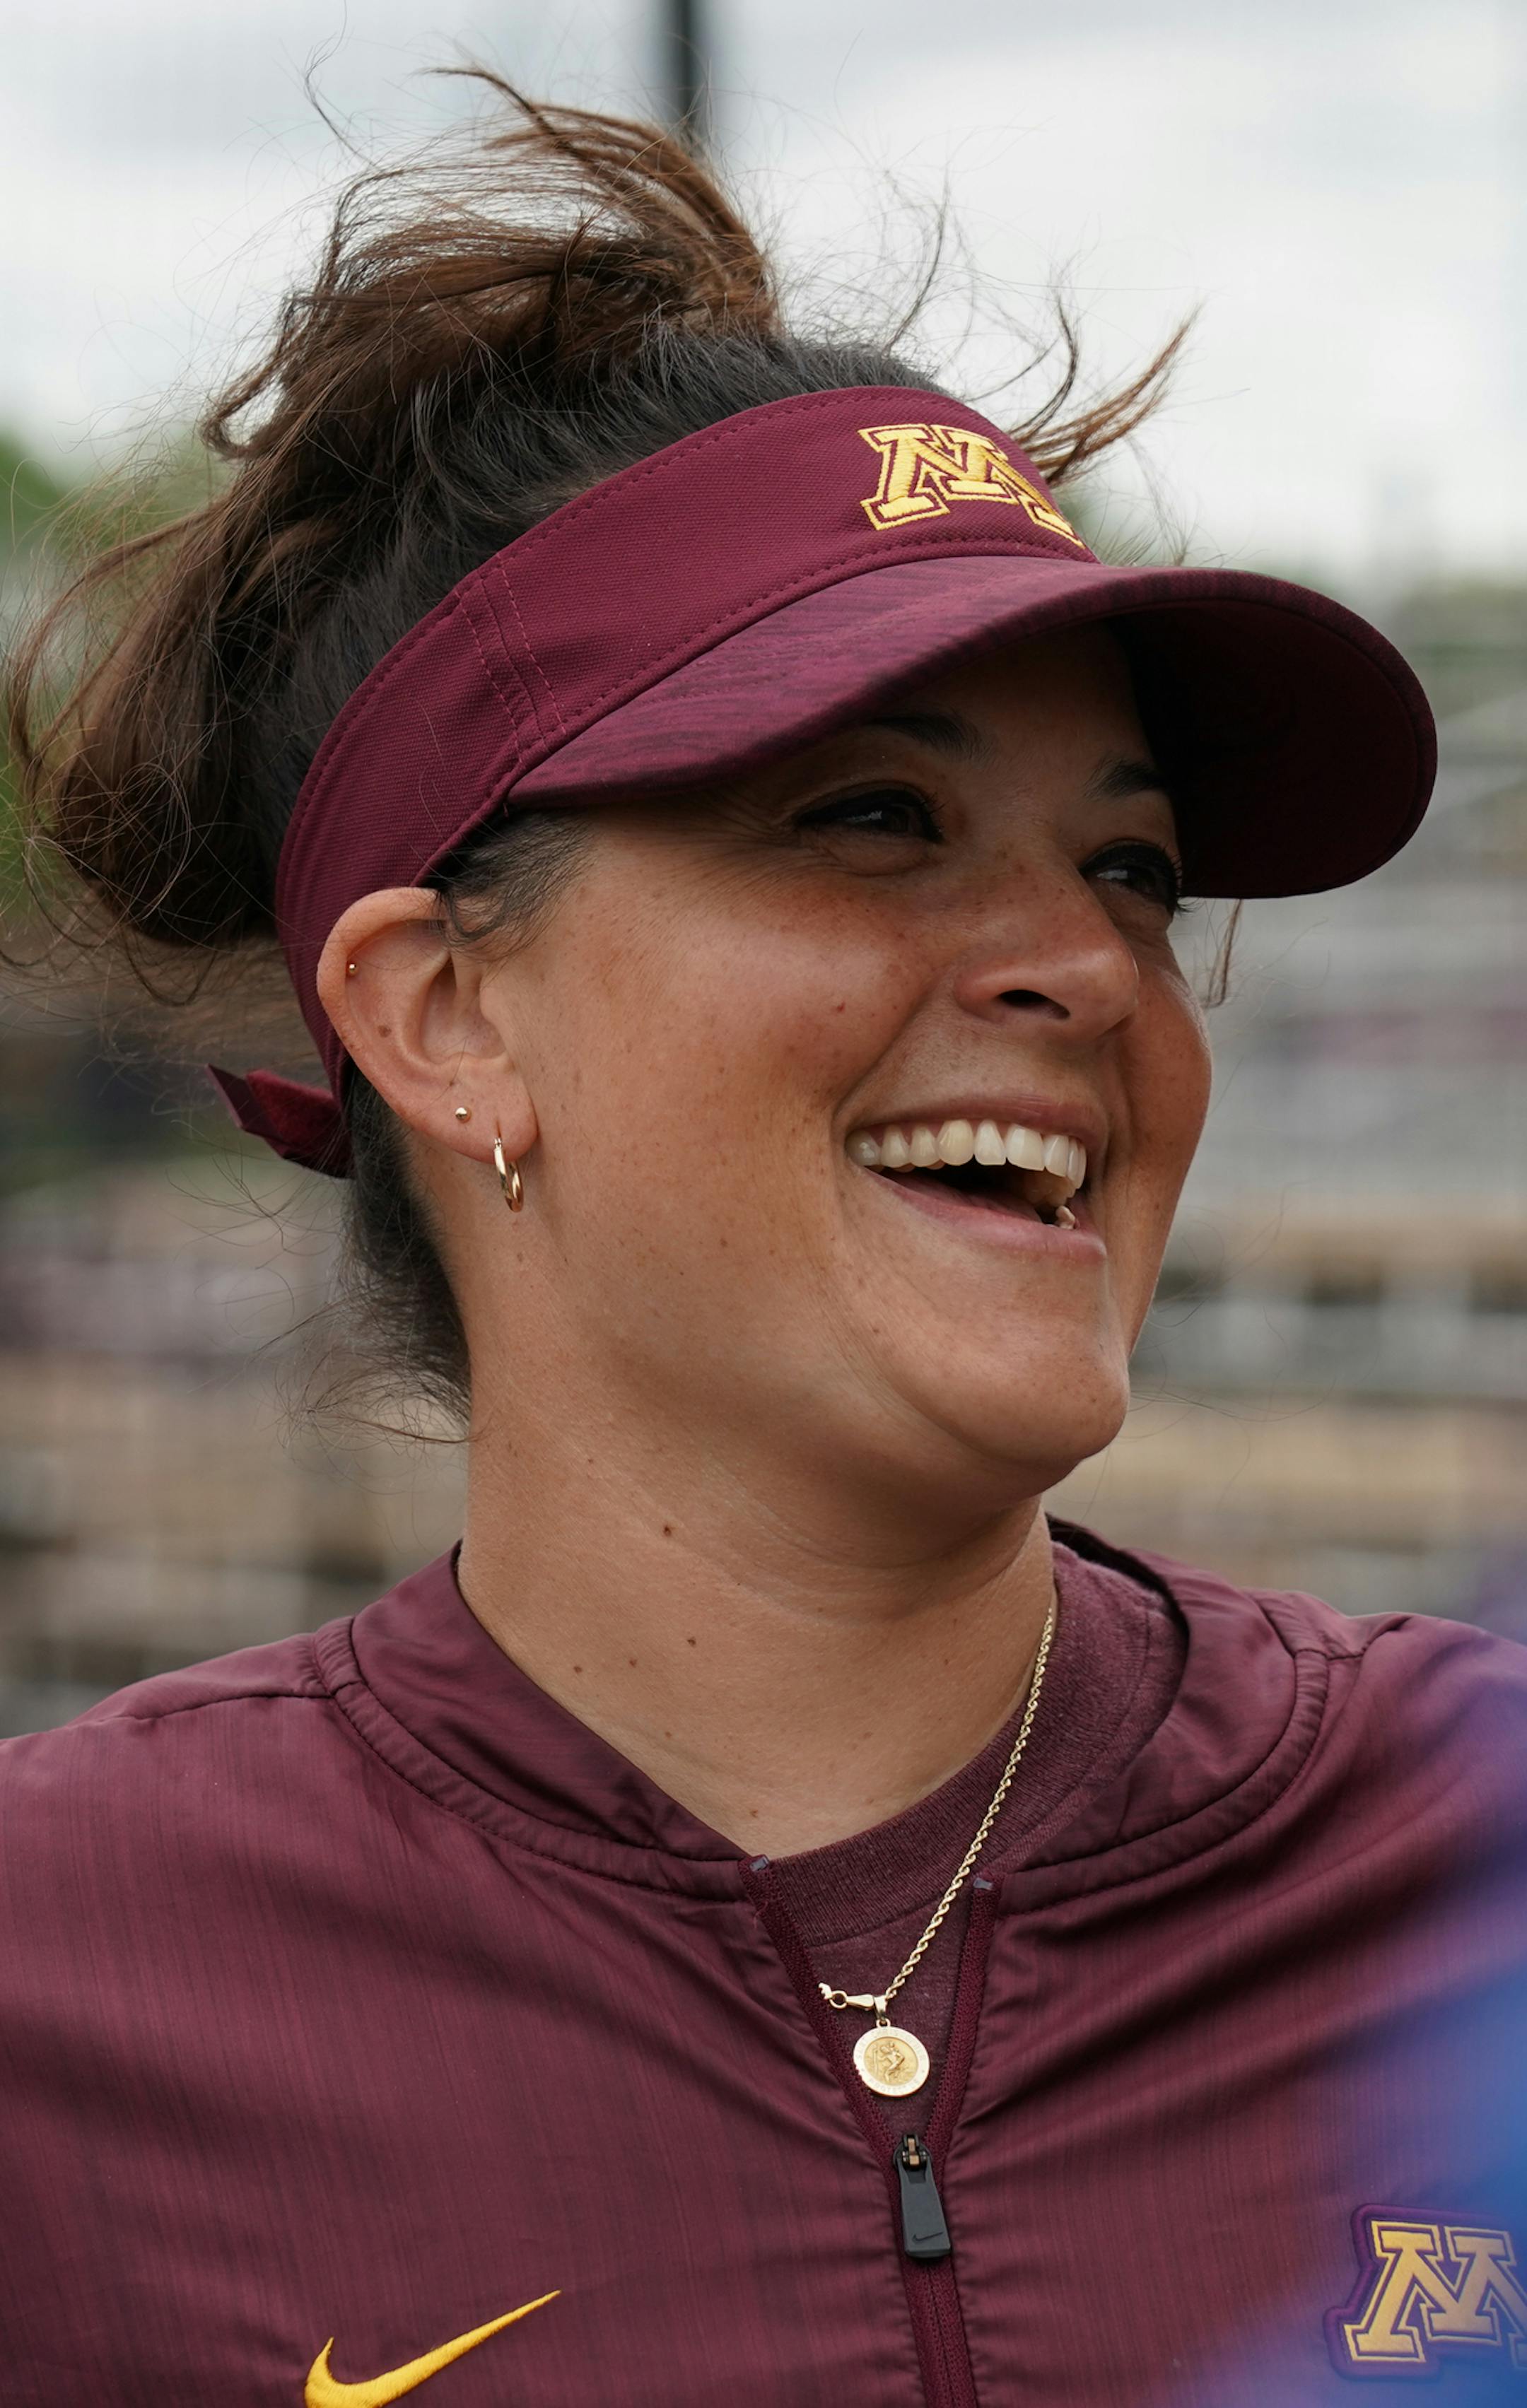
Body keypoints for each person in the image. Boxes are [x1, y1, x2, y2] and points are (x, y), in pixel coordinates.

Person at [4, 90, 1526, 2408]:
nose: (1088, 968)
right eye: (876, 819)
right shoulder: (62, 1998)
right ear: (445, 1016)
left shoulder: (1479, 1858)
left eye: (1131, 865)